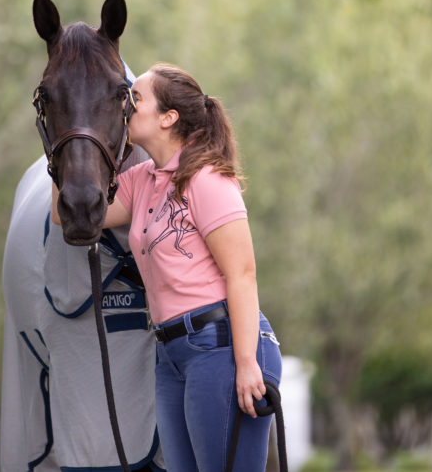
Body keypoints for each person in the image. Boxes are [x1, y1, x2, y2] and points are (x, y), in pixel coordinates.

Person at [54, 62, 282, 471]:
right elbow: (64, 214)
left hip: (222, 348)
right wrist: (72, 129)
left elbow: (242, 274)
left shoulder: (208, 178)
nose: (125, 106)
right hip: (172, 355)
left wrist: (247, 365)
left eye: (135, 98)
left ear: (168, 117)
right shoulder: (144, 180)